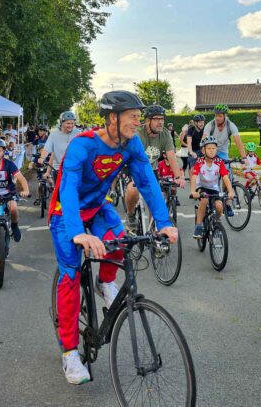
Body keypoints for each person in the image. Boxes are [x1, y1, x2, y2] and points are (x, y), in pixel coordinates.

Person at [47, 90, 178, 384]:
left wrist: (165, 222)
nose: (137, 122)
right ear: (111, 118)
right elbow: (67, 188)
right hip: (65, 214)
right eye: (132, 117)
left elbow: (146, 180)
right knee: (69, 277)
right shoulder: (83, 145)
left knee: (120, 241)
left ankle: (104, 281)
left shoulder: (131, 145)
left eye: (138, 117)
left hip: (96, 207)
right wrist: (77, 233)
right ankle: (69, 354)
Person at [125, 105, 184, 228]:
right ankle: (130, 215)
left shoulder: (165, 134)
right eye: (156, 119)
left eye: (162, 119)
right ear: (147, 121)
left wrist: (178, 176)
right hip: (134, 168)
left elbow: (171, 156)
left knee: (157, 198)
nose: (160, 122)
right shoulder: (138, 134)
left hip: (152, 169)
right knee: (133, 189)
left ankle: (153, 230)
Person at [190, 136, 235, 239]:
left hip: (214, 188)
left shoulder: (219, 162)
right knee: (204, 200)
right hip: (201, 187)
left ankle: (216, 221)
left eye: (214, 148)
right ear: (203, 150)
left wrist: (230, 191)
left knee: (219, 206)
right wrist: (193, 191)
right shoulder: (200, 162)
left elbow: (225, 178)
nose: (211, 151)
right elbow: (194, 177)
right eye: (209, 148)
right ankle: (198, 226)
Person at [42, 111, 82, 182]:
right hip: (58, 169)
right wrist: (42, 158)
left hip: (73, 168)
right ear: (61, 123)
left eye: (72, 123)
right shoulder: (54, 134)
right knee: (59, 192)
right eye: (68, 123)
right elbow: (50, 153)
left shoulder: (78, 133)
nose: (70, 125)